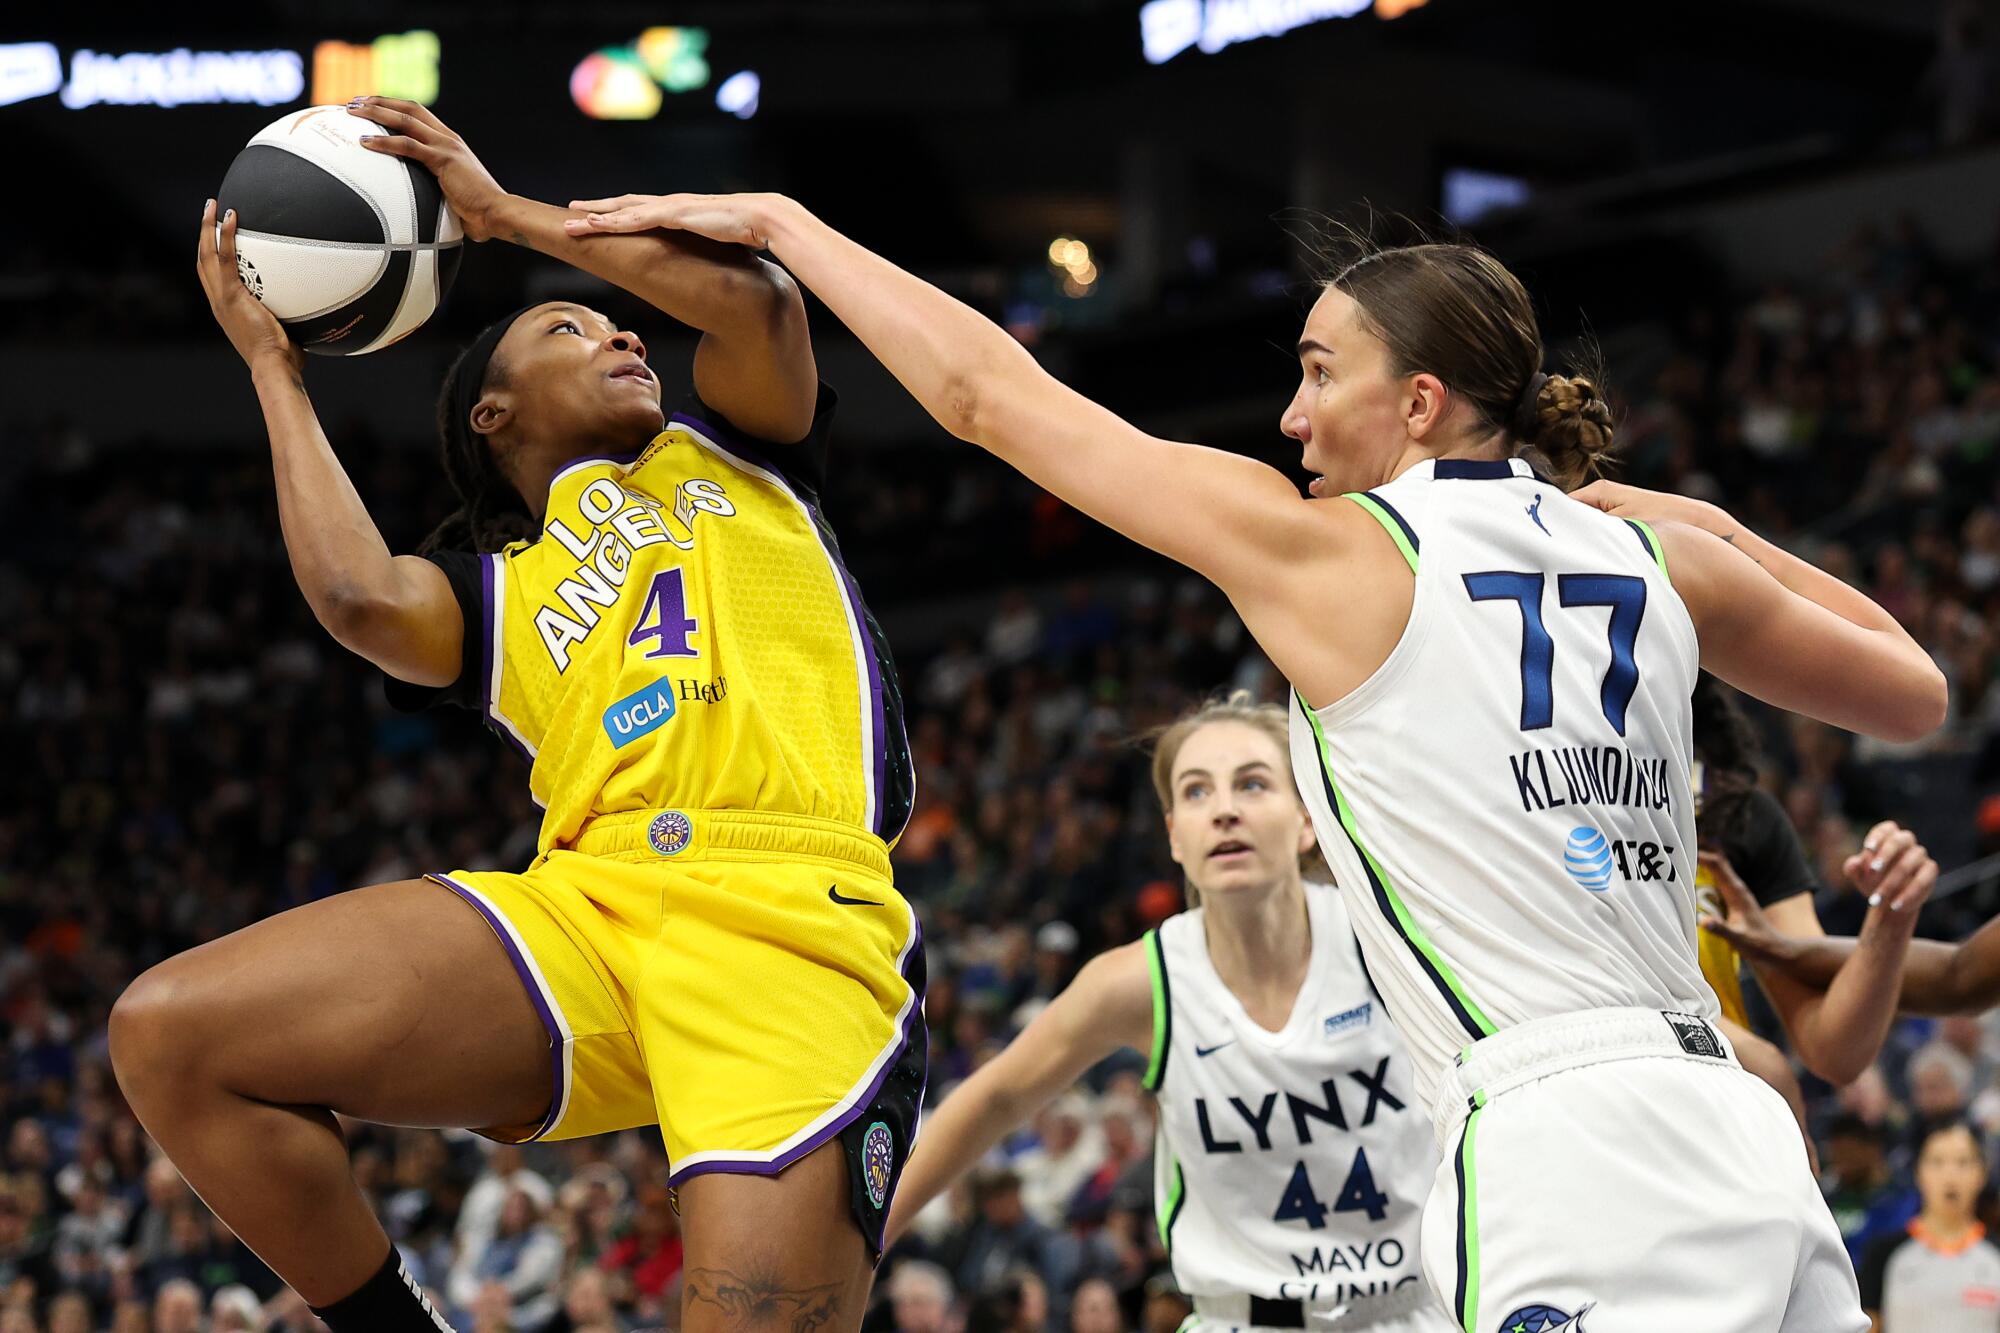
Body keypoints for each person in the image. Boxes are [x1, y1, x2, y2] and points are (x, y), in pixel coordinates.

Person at [562, 194, 1949, 1329]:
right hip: (1737, 1127)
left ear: (1417, 402)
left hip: (1569, 1141)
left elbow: (986, 395)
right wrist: (1696, 524)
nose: (1290, 415)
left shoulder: (1333, 555)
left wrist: (792, 227)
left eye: (1319, 372)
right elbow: (1913, 692)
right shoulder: (1654, 554)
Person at [110, 100, 919, 1333]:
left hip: (787, 917)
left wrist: (504, 218)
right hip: (587, 909)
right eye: (567, 326)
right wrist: (275, 369)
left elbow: (761, 305)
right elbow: (356, 596)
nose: (621, 330)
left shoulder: (739, 452)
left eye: (614, 320)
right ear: (493, 414)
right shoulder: (500, 594)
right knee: (172, 1035)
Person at [889, 695, 1453, 1330]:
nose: (1224, 809)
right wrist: (866, 1243)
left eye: (1252, 783)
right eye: (1196, 791)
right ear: (1175, 836)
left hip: (1417, 1309)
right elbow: (995, 1099)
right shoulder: (1142, 982)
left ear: (1306, 820)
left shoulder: (1388, 939)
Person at [1690, 673, 1935, 1084]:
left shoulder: (1739, 816)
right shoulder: (1568, 806)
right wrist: (1752, 1054)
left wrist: (1891, 914)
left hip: (1710, 1095)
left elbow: (1832, 1049)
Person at [1856, 1121, 2000, 1331]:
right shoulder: (1883, 1254)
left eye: (1963, 1162)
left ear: (1982, 1174)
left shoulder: (1995, 1254)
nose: (1950, 1176)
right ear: (1918, 1172)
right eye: (1937, 1162)